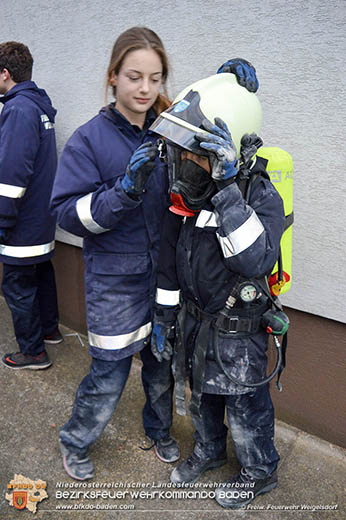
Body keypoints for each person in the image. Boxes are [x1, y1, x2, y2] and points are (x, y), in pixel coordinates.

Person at [51, 27, 260, 481]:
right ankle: (76, 440)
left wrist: (225, 85)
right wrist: (123, 192)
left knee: (162, 369)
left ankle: (159, 430)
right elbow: (67, 215)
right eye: (133, 77)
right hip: (115, 282)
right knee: (108, 375)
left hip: (167, 280)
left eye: (155, 77)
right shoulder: (89, 140)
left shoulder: (173, 130)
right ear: (113, 78)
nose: (145, 88)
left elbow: (216, 141)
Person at [150, 72, 286, 509]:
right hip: (195, 320)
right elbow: (170, 260)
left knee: (245, 405)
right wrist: (165, 316)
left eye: (197, 156)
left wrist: (227, 190)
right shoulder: (187, 199)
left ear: (228, 151)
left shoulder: (257, 192)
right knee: (202, 395)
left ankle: (259, 471)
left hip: (237, 329)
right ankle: (208, 452)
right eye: (183, 154)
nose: (186, 164)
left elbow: (255, 261)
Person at [0, 41, 62, 371]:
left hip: (22, 220)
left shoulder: (18, 110)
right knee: (41, 273)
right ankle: (50, 329)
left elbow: (12, 173)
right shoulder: (37, 105)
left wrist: (2, 219)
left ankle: (33, 352)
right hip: (41, 215)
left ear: (5, 73)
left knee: (17, 284)